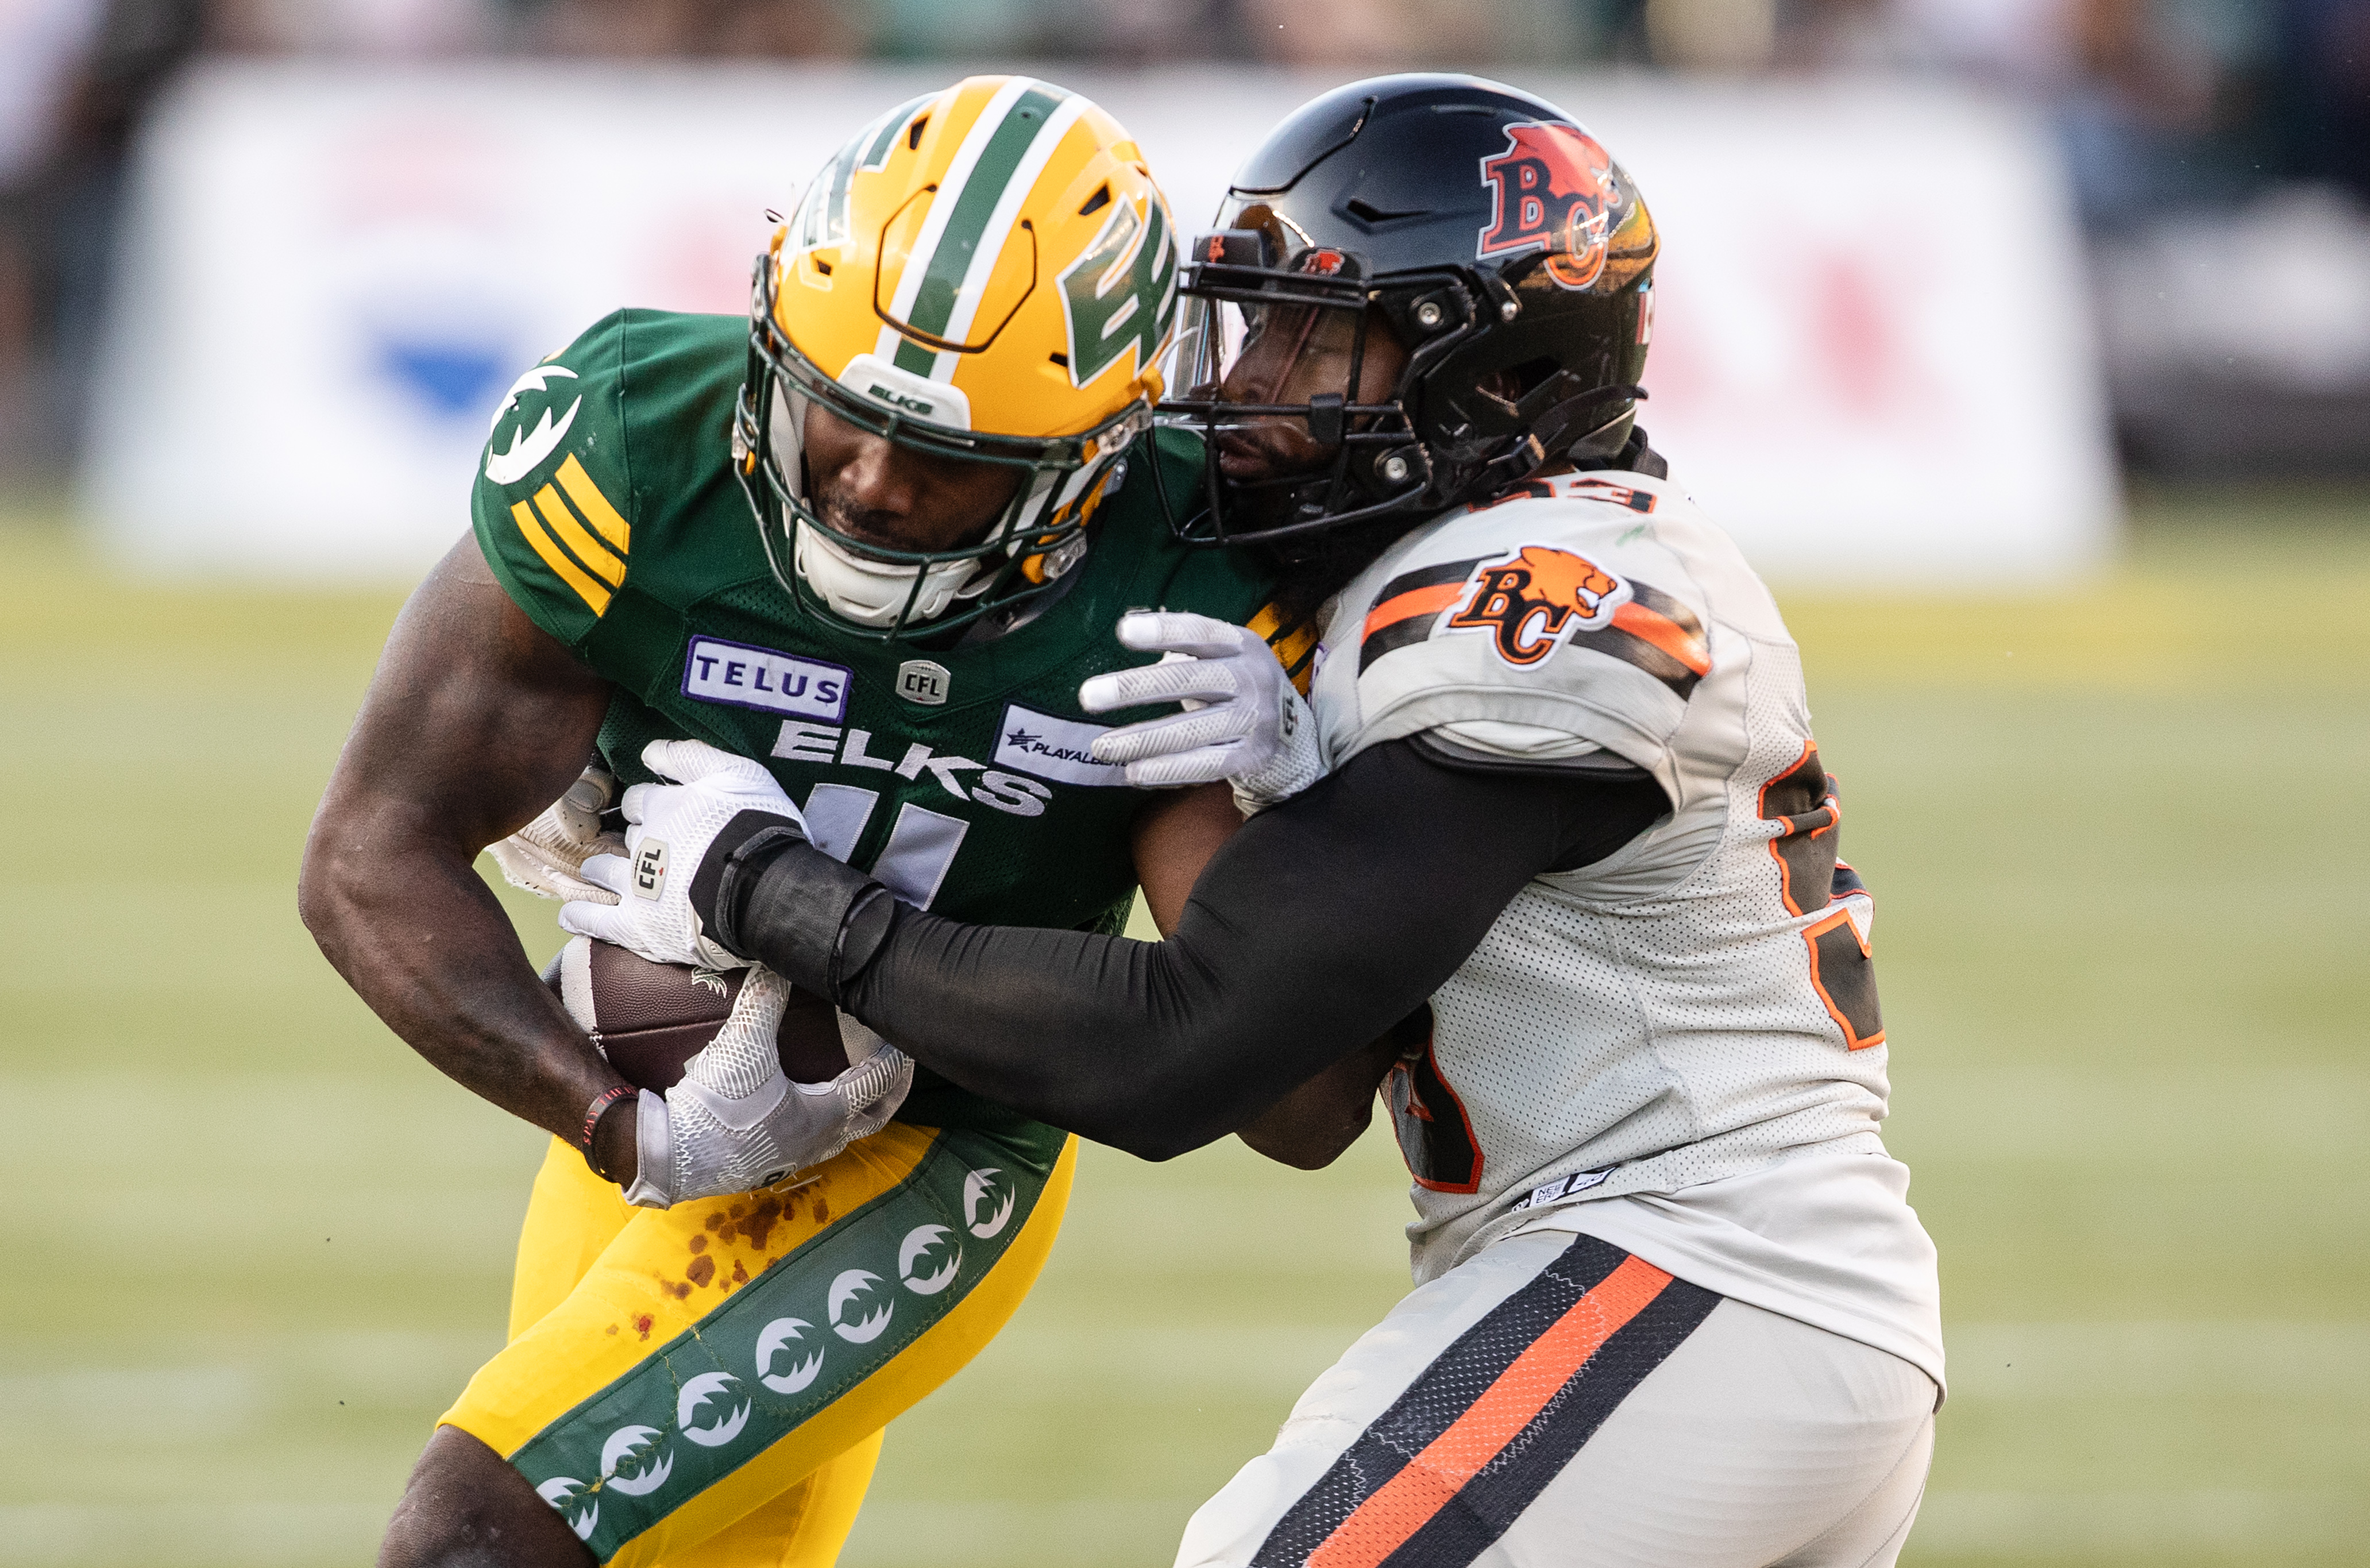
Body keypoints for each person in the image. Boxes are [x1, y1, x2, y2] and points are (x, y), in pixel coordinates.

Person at [574, 75, 1946, 1567]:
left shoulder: (1551, 598)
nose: (1244, 382)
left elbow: (1189, 1049)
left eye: (1313, 335)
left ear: (1488, 379)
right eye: (1248, 323)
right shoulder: (1457, 571)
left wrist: (771, 889)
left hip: (1700, 1264)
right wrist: (1300, 769)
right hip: (1676, 1291)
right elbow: (1308, 1102)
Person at [298, 76, 1310, 1568]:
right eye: (843, 411)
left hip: (935, 1147)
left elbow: (1290, 1099)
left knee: (477, 1540)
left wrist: (1291, 793)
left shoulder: (1180, 586)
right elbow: (367, 852)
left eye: (956, 458)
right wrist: (611, 1117)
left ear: (1095, 455)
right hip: (665, 1103)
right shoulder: (647, 445)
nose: (873, 480)